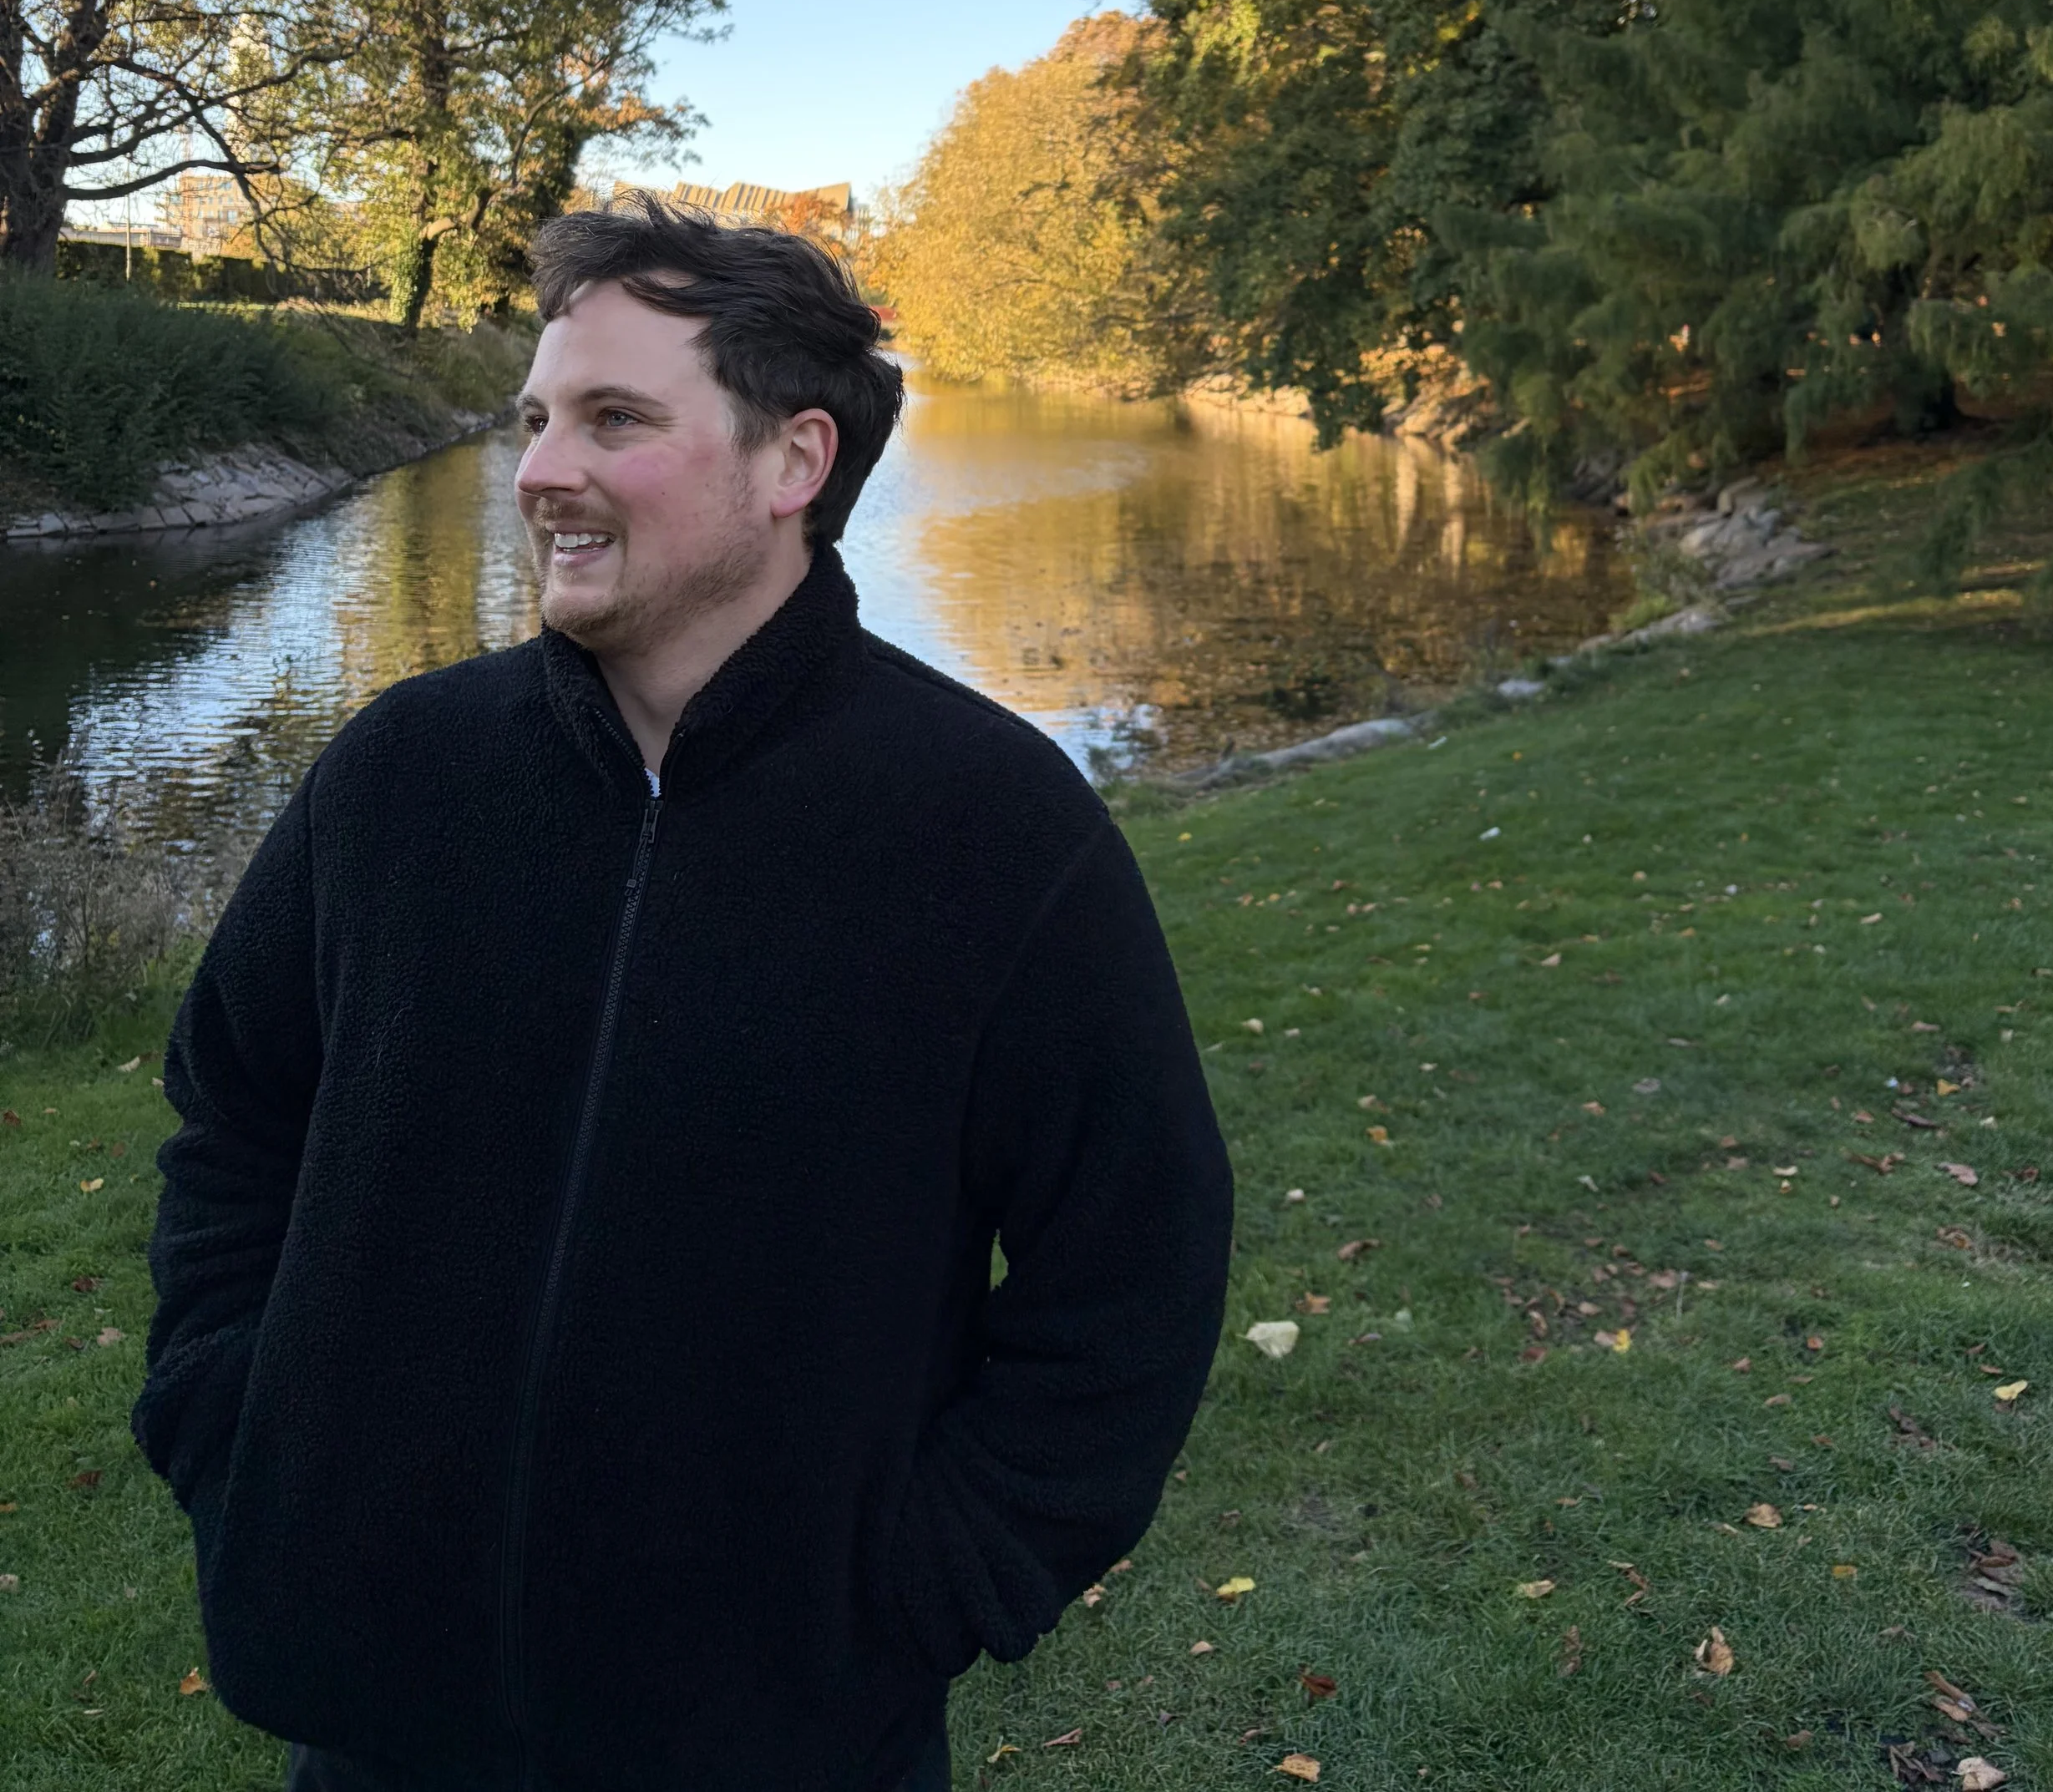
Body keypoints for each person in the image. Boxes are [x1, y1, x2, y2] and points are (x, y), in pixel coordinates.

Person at [132, 195, 1236, 1792]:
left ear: (795, 464)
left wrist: (932, 1576)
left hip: (785, 1736)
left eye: (615, 419)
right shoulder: (403, 779)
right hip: (377, 1720)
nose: (538, 471)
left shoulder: (991, 832)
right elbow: (234, 1125)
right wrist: (238, 1428)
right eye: (534, 420)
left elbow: (1133, 1253)